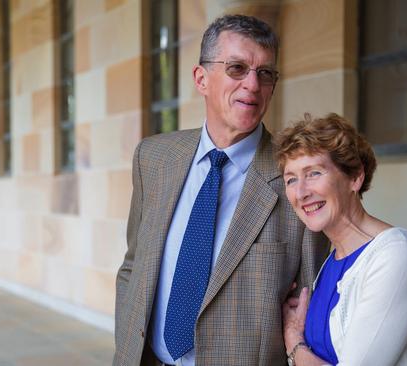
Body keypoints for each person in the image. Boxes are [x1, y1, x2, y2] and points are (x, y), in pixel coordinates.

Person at [114, 15, 325, 366]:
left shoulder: (298, 179)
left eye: (266, 74)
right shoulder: (152, 158)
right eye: (237, 68)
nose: (252, 85)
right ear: (201, 79)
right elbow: (133, 266)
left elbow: (310, 305)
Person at [275, 113, 407, 366]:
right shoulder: (333, 261)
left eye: (314, 173)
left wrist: (294, 342)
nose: (301, 192)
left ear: (355, 177)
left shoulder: (397, 256)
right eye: (291, 179)